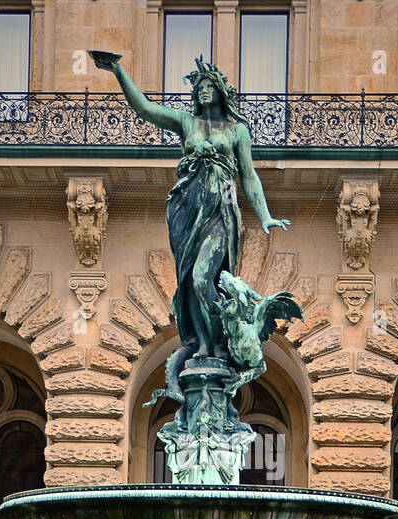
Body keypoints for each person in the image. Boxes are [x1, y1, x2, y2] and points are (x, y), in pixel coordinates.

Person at [92, 50, 289, 371]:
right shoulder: (187, 122)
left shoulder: (237, 130)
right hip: (187, 203)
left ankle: (221, 339)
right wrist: (118, 71)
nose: (203, 91)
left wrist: (264, 214)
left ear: (220, 91)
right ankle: (205, 344)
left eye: (209, 86)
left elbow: (249, 175)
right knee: (187, 281)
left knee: (202, 280)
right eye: (199, 88)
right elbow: (144, 108)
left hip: (221, 205)